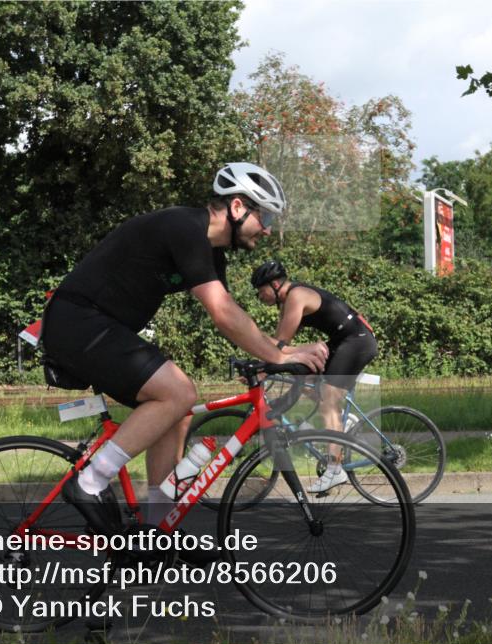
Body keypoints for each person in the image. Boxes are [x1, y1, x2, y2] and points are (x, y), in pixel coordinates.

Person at [41, 163, 328, 544]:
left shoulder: (212, 254)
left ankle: (157, 532)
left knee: (174, 412)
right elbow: (222, 313)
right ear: (239, 207)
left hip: (102, 329)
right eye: (267, 215)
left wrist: (282, 350)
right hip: (78, 321)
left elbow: (230, 315)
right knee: (178, 392)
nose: (269, 228)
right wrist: (278, 355)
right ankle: (90, 481)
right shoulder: (184, 227)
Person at [250, 260, 377, 493]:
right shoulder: (289, 300)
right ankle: (338, 425)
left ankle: (334, 469)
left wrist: (262, 368)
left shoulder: (296, 297)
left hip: (356, 341)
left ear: (275, 284)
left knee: (328, 400)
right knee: (303, 377)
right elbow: (279, 352)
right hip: (342, 340)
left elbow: (279, 346)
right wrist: (262, 368)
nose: (261, 297)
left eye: (261, 291)